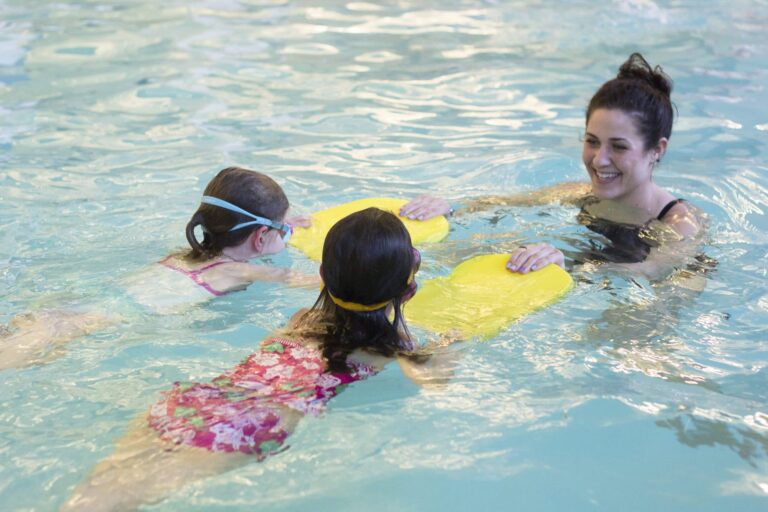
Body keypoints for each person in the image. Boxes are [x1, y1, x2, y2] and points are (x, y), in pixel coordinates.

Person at [62, 208, 449, 511]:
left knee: (92, 495)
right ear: (408, 292)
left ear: (322, 276)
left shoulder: (302, 318)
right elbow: (433, 382)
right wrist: (450, 344)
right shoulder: (395, 349)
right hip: (248, 428)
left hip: (196, 400)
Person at [399, 53, 703, 279]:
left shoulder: (680, 224)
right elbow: (501, 204)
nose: (600, 160)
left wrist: (570, 267)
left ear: (656, 150)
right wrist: (449, 209)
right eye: (592, 141)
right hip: (587, 270)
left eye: (619, 146)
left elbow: (655, 270)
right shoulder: (582, 193)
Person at [0, 166, 315, 370]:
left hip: (74, 304)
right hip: (88, 323)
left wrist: (284, 225)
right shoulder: (237, 271)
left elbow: (256, 231)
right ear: (260, 237)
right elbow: (306, 280)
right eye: (283, 231)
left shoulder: (188, 253)